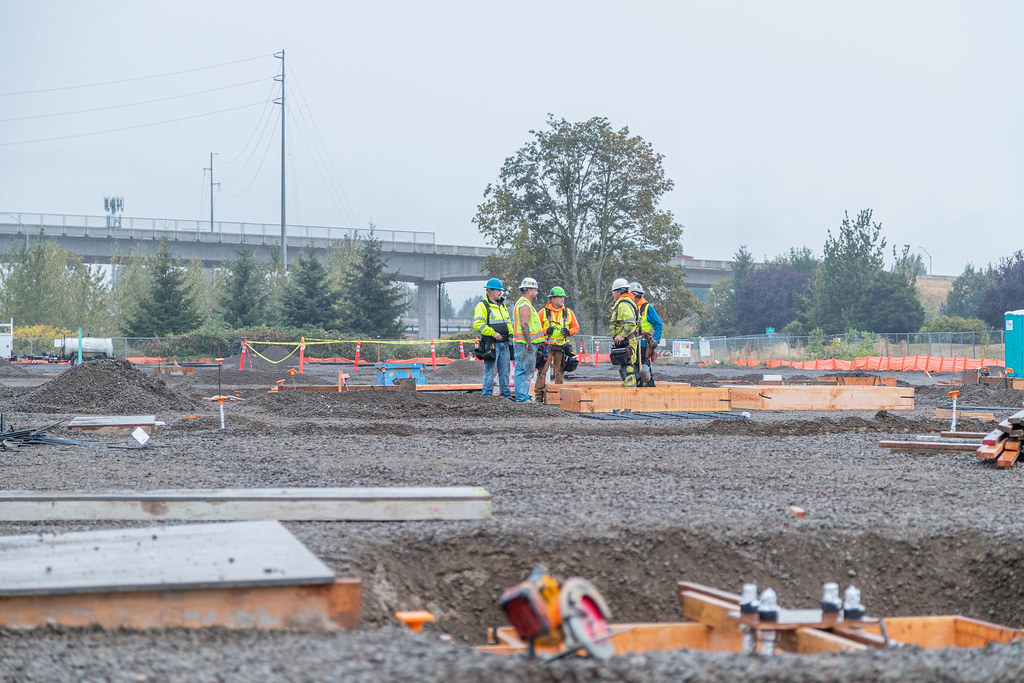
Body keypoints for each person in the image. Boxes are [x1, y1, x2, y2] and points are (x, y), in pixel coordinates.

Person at [534, 286, 580, 402]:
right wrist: (545, 331)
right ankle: (539, 396)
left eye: (563, 297)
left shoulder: (568, 312)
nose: (562, 299)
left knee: (559, 372)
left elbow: (576, 327)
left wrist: (569, 332)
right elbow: (535, 329)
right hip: (547, 348)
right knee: (542, 371)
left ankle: (558, 396)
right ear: (552, 299)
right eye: (559, 297)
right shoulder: (542, 312)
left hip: (561, 348)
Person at [472, 278, 512, 398]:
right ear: (490, 291)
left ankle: (506, 396)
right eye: (498, 290)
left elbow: (508, 321)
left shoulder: (502, 306)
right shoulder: (482, 306)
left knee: (504, 371)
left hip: (504, 343)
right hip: (491, 344)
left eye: (501, 290)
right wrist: (493, 333)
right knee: (489, 371)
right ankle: (487, 396)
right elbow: (478, 324)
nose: (501, 293)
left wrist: (510, 333)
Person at [512, 277, 544, 402]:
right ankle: (522, 398)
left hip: (526, 344)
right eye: (535, 290)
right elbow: (524, 325)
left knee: (527, 370)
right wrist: (529, 344)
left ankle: (523, 396)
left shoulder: (526, 304)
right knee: (524, 370)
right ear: (530, 290)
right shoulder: (524, 304)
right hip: (524, 344)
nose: (536, 292)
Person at [629, 282, 663, 388]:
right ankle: (639, 392)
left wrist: (655, 340)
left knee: (644, 371)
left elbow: (658, 323)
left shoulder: (647, 307)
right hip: (632, 344)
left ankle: (651, 392)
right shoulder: (629, 307)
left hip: (643, 344)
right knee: (633, 372)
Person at [609, 277, 640, 388]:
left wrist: (622, 335)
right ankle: (629, 387)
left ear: (618, 292)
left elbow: (631, 323)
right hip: (628, 340)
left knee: (627, 367)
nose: (613, 295)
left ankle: (629, 390)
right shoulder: (628, 303)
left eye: (614, 292)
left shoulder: (623, 304)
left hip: (626, 341)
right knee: (626, 365)